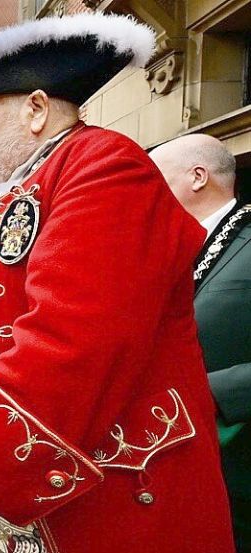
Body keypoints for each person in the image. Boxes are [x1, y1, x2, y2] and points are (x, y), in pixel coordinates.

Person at [0, 13, 232, 553]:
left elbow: (76, 343)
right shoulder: (22, 179)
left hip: (99, 499)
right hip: (21, 487)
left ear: (34, 109)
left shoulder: (105, 165)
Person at [150, 134, 251, 551]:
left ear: (197, 177)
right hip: (174, 474)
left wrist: (206, 392)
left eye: (155, 182)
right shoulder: (163, 248)